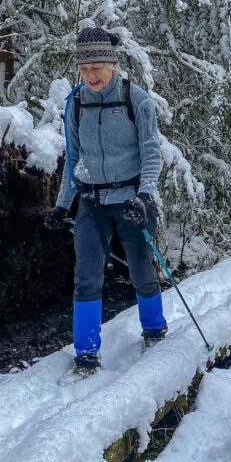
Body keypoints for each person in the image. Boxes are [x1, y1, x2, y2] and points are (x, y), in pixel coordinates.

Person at [44, 27, 167, 376]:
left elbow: (151, 153)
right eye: (84, 69)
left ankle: (155, 329)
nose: (90, 76)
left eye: (96, 67)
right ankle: (86, 353)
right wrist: (61, 204)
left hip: (131, 201)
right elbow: (74, 157)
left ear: (112, 64)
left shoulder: (136, 99)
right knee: (86, 276)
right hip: (91, 203)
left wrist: (144, 196)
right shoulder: (76, 100)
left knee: (142, 271)